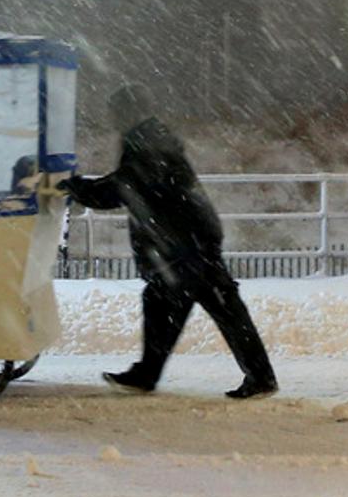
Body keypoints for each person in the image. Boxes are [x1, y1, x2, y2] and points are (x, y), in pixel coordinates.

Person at [64, 85, 278, 399]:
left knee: (172, 302)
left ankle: (149, 375)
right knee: (213, 306)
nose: (111, 118)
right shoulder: (150, 137)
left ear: (127, 112)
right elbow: (131, 183)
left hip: (182, 244)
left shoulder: (144, 141)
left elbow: (124, 186)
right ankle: (257, 377)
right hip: (192, 238)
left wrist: (76, 187)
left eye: (115, 110)